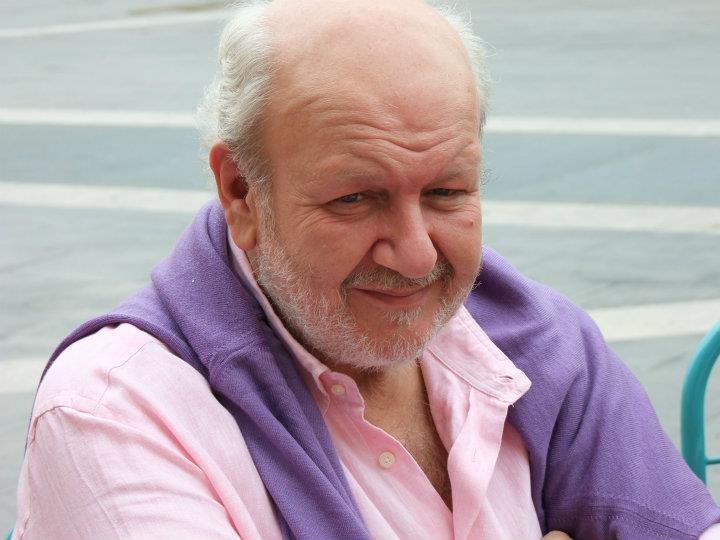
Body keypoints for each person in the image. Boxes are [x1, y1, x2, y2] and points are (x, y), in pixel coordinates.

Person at [12, 0, 720, 539]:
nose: (417, 256)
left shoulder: (547, 347)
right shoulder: (117, 413)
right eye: (354, 199)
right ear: (241, 193)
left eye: (447, 192)